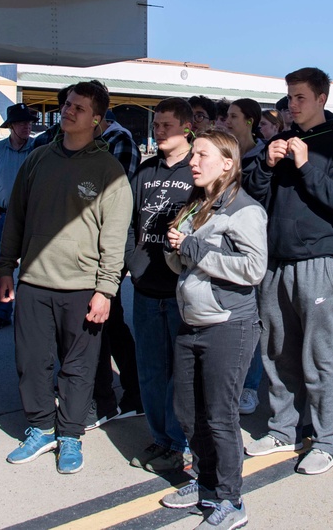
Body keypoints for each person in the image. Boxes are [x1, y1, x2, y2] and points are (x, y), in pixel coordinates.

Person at [0, 81, 133, 475]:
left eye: (79, 107)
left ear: (97, 119)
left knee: (79, 367)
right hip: (34, 283)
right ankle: (40, 428)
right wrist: (5, 267)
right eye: (68, 104)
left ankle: (70, 434)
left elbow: (114, 236)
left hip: (82, 289)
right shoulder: (38, 159)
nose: (68, 111)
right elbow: (15, 219)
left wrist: (106, 289)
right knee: (32, 362)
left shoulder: (109, 171)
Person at [243, 67, 333, 476]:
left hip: (320, 263)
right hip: (276, 261)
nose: (292, 106)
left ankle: (328, 440)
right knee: (276, 350)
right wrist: (264, 168)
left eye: (300, 98)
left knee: (322, 355)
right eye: (289, 98)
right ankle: (282, 429)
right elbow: (252, 197)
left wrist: (308, 165)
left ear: (322, 99)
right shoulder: (277, 141)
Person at [160, 131, 267, 530]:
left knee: (220, 416)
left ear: (227, 162)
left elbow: (253, 269)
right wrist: (176, 250)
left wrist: (193, 248)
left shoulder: (246, 210)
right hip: (191, 322)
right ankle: (206, 485)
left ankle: (231, 499)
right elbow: (183, 265)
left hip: (228, 324)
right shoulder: (196, 206)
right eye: (192, 155)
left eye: (202, 154)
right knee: (188, 411)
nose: (193, 161)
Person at [126, 97, 196, 474]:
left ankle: (179, 442)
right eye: (156, 126)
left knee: (180, 373)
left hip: (180, 289)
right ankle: (160, 437)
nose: (158, 131)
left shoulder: (197, 171)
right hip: (145, 286)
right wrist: (131, 264)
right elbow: (128, 220)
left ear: (186, 128)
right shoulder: (145, 169)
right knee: (150, 370)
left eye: (166, 125)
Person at [88, 92, 143, 429]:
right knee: (108, 321)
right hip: (100, 242)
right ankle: (118, 391)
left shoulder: (117, 141)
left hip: (113, 241)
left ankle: (123, 392)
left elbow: (107, 195)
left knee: (108, 319)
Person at [225, 97, 266, 415]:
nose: (227, 121)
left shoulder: (263, 157)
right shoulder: (223, 153)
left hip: (251, 248)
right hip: (222, 247)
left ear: (250, 121)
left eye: (234, 116)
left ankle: (250, 387)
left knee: (251, 320)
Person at [0, 102, 39, 330]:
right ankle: (2, 312)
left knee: (31, 268)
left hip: (30, 218)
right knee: (2, 267)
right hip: (4, 218)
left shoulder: (37, 149)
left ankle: (28, 315)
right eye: (21, 123)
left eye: (28, 122)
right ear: (11, 126)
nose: (26, 126)